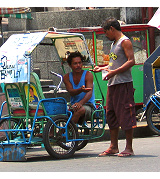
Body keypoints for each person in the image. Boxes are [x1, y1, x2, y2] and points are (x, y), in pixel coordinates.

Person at [93, 17, 136, 157]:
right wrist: (103, 68)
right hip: (112, 84)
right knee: (111, 114)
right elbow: (114, 64)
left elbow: (131, 61)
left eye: (106, 32)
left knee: (125, 113)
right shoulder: (114, 44)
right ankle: (113, 146)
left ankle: (129, 148)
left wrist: (113, 72)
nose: (106, 35)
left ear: (112, 29)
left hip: (123, 84)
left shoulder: (125, 41)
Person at [63, 51, 95, 125]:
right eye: (75, 63)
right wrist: (81, 89)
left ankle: (64, 131)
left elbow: (89, 92)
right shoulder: (66, 77)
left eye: (80, 63)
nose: (78, 65)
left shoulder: (88, 75)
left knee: (79, 110)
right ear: (70, 65)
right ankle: (50, 133)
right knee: (56, 110)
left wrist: (80, 103)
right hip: (73, 104)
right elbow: (71, 91)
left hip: (88, 105)